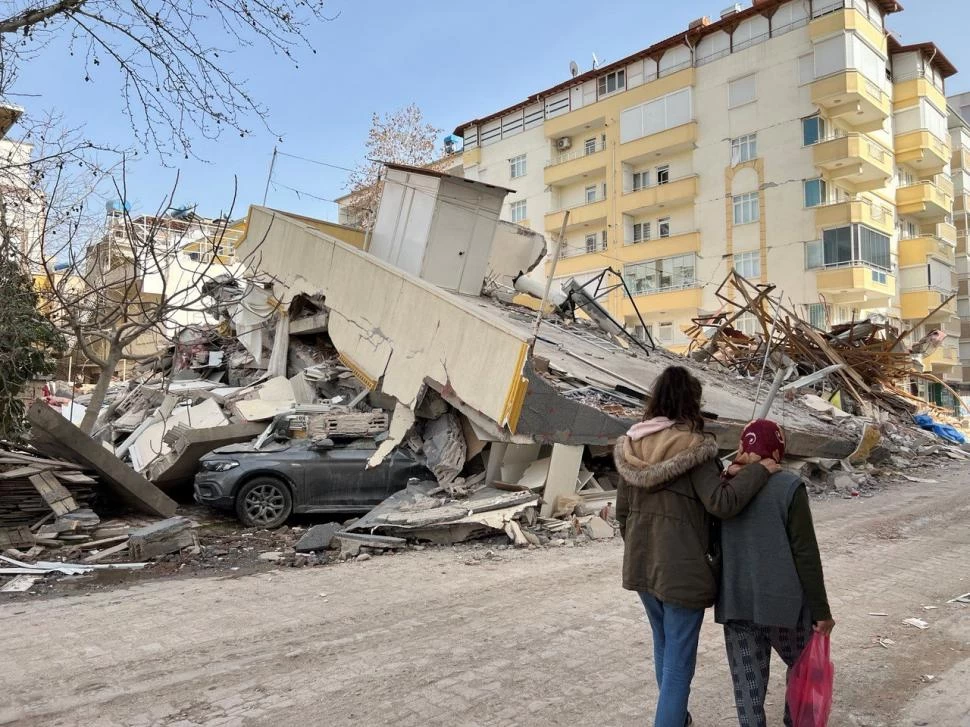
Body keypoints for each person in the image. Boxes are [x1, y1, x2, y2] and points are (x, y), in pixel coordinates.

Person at [614, 366, 775, 727]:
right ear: (692, 402)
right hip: (682, 571)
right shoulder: (696, 449)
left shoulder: (631, 445)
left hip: (642, 565)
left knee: (665, 645)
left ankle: (677, 718)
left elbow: (622, 513)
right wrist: (759, 470)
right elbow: (722, 503)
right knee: (679, 662)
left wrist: (643, 548)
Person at [716, 418, 835, 727]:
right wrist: (821, 610)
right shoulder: (789, 487)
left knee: (748, 692)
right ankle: (794, 719)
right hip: (784, 607)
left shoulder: (723, 487)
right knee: (802, 667)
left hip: (736, 604)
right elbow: (805, 553)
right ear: (778, 449)